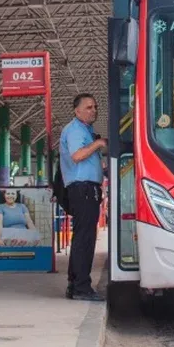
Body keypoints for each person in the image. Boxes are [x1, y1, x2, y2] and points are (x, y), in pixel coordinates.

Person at [60, 93, 107, 301]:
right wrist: (99, 144)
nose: (93, 110)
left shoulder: (86, 131)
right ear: (76, 110)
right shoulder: (75, 130)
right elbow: (77, 156)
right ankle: (81, 287)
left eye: (95, 107)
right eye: (88, 107)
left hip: (88, 189)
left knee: (83, 236)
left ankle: (75, 284)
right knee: (84, 238)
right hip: (82, 189)